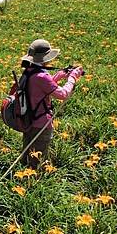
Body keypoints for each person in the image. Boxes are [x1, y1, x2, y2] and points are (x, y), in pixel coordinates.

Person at [16, 39, 83, 168]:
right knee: (37, 158)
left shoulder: (29, 72)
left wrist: (59, 75)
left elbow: (40, 88)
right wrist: (72, 78)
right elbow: (63, 95)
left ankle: (23, 172)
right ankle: (33, 180)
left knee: (27, 152)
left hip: (28, 120)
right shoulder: (41, 77)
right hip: (41, 123)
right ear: (45, 58)